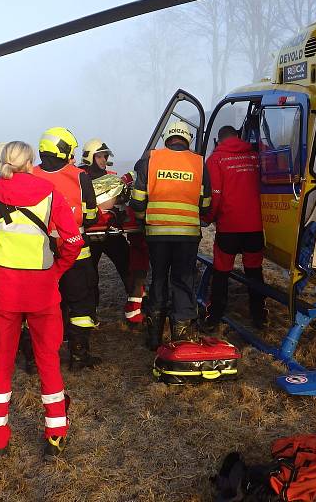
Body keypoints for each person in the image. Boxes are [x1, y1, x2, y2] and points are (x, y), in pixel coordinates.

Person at [0, 141, 82, 458]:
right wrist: (55, 271)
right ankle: (55, 434)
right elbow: (73, 241)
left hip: (2, 295)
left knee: (1, 367)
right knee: (48, 362)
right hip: (43, 292)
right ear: (31, 162)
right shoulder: (50, 194)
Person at [130, 121, 211, 349]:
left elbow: (137, 200)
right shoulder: (199, 163)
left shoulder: (151, 159)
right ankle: (182, 338)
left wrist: (141, 219)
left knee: (158, 279)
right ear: (188, 139)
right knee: (183, 281)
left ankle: (154, 337)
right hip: (187, 235)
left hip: (157, 234)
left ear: (167, 137)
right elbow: (205, 204)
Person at [32, 127, 102, 370]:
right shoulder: (79, 176)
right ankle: (79, 355)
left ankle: (36, 357)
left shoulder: (30, 175)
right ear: (63, 150)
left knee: (41, 305)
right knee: (81, 304)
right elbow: (91, 215)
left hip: (38, 255)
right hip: (76, 254)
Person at [0, 142, 36, 373]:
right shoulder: (36, 189)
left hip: (1, 263)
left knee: (0, 314)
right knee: (27, 313)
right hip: (30, 263)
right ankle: (28, 356)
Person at [203, 125, 266, 331]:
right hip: (255, 226)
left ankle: (215, 316)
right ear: (238, 136)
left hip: (229, 227)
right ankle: (259, 316)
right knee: (254, 271)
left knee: (221, 272)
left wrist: (208, 218)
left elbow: (216, 194)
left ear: (219, 141)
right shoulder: (255, 155)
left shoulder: (216, 159)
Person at [80, 138, 149, 326]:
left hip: (111, 232)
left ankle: (135, 309)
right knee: (89, 275)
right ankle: (89, 314)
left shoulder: (111, 177)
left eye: (105, 156)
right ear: (90, 157)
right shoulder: (79, 177)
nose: (103, 160)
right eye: (100, 156)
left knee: (127, 265)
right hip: (90, 235)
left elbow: (120, 200)